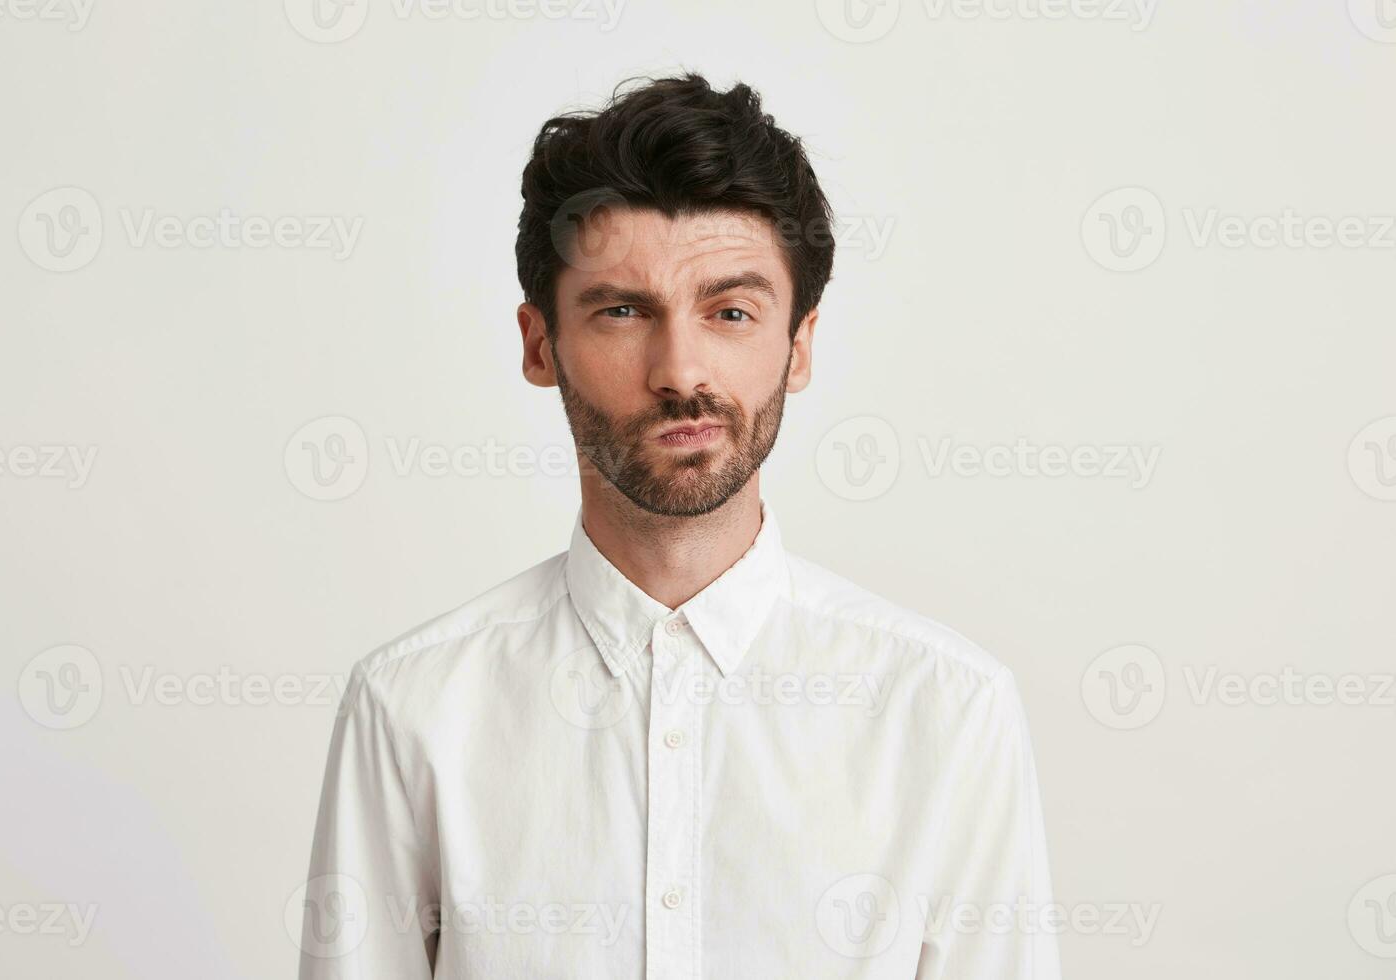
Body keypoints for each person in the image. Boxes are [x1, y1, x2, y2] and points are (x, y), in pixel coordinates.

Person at [298, 72, 1060, 979]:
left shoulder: (944, 710)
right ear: (541, 345)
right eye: (623, 311)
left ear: (800, 344)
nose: (681, 370)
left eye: (730, 311)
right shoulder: (414, 709)